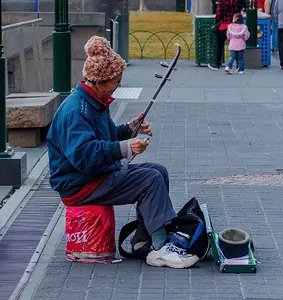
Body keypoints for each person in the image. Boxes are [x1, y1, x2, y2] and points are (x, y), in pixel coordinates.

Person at [46, 36, 199, 269]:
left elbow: (102, 138)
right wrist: (126, 148)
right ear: (98, 81)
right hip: (80, 185)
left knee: (158, 170)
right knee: (149, 179)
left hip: (93, 176)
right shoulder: (75, 109)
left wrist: (129, 129)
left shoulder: (93, 101)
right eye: (115, 82)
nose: (118, 86)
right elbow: (84, 155)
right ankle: (160, 249)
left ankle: (143, 240)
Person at [209, 0, 246, 71]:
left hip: (224, 25)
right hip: (235, 26)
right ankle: (239, 65)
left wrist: (216, 21)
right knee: (237, 45)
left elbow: (219, 14)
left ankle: (217, 64)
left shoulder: (222, 1)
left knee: (219, 45)